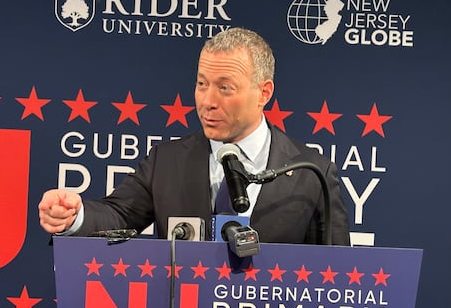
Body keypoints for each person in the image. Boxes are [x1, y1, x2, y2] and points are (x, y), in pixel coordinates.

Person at [38, 27, 350, 245]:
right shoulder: (167, 161)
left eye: (225, 88)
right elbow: (118, 215)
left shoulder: (311, 172)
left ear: (263, 93)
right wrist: (75, 216)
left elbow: (335, 273)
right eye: (202, 84)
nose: (207, 100)